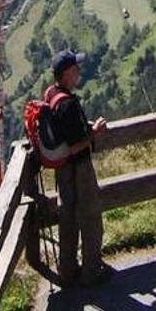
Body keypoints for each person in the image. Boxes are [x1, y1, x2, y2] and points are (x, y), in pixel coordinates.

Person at [48, 50, 111, 287]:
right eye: (75, 69)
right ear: (66, 74)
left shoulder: (52, 94)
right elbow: (75, 147)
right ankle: (92, 271)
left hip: (63, 170)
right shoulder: (69, 105)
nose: (79, 72)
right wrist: (94, 133)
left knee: (68, 218)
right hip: (79, 168)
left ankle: (67, 270)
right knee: (90, 216)